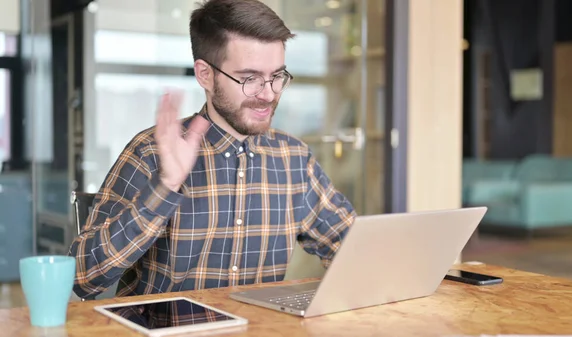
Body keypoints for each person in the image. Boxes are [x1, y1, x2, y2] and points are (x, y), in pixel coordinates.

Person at [68, 0, 356, 301]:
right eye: (250, 79)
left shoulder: (294, 159)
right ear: (205, 74)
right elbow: (82, 278)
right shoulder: (150, 152)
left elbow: (352, 248)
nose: (269, 94)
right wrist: (164, 188)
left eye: (277, 76)